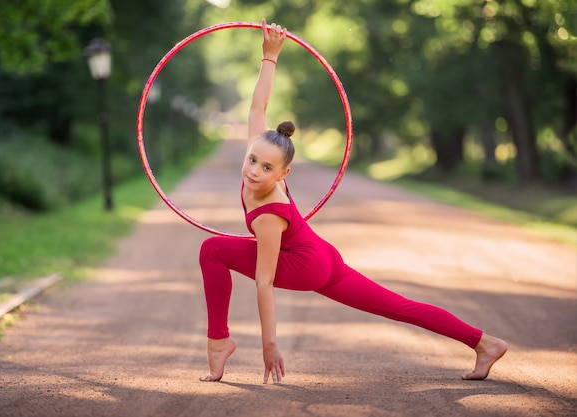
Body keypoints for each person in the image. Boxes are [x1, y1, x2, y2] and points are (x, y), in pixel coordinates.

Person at [198, 18, 507, 384]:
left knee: (212, 250)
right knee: (398, 306)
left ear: (283, 175)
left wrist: (270, 344)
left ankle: (218, 342)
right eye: (252, 160)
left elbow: (264, 283)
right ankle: (484, 342)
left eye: (267, 168)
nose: (254, 172)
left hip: (305, 265)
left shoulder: (269, 214)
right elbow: (257, 108)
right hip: (323, 257)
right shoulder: (259, 152)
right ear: (248, 152)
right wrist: (270, 56)